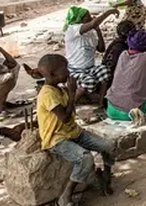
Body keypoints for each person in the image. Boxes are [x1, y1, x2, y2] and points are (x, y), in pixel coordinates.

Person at [36, 54, 115, 206]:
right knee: (85, 158)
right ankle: (65, 196)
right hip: (57, 139)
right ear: (52, 74)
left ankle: (106, 176)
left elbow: (70, 111)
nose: (69, 71)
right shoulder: (47, 94)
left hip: (73, 132)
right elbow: (65, 117)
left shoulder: (59, 89)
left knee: (108, 145)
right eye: (65, 68)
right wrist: (72, 93)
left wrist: (72, 94)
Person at [63, 6, 119, 106]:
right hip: (75, 69)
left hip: (90, 68)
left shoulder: (90, 33)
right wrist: (109, 12)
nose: (91, 18)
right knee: (90, 81)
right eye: (87, 17)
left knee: (105, 72)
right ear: (80, 19)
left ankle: (101, 102)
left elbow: (101, 49)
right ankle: (71, 104)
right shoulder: (72, 30)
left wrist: (98, 31)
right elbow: (94, 23)